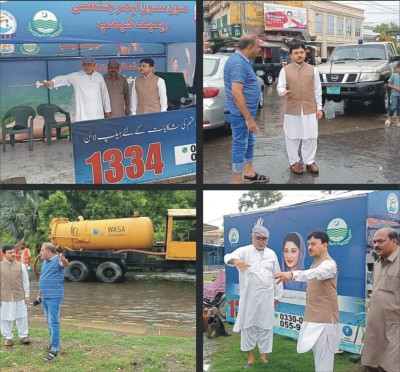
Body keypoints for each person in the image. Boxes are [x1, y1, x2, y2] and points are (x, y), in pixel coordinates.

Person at [274, 230, 339, 372]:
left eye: (314, 244)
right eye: (309, 244)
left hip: (325, 320)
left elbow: (317, 274)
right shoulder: (314, 264)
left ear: (325, 245)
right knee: (318, 359)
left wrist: (292, 274)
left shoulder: (329, 264)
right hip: (313, 317)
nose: (310, 247)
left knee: (324, 362)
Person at [224, 224, 282, 368]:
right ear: (252, 237)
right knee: (248, 326)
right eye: (258, 238)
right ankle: (251, 358)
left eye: (264, 239)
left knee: (266, 327)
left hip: (267, 298)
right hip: (249, 299)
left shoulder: (271, 254)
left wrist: (277, 296)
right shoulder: (244, 251)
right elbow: (227, 257)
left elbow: (278, 275)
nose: (261, 241)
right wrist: (236, 261)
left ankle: (263, 356)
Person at [223, 33, 269, 184]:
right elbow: (237, 93)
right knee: (240, 144)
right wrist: (248, 119)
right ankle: (238, 180)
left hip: (246, 114)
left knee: (249, 142)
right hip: (240, 115)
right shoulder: (237, 63)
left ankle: (249, 173)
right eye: (258, 47)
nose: (259, 50)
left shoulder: (244, 61)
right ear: (250, 47)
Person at [277, 40, 323, 175]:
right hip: (292, 108)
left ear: (305, 53)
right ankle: (295, 162)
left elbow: (318, 90)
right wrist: (283, 92)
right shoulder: (284, 70)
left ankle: (310, 161)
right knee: (292, 136)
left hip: (309, 107)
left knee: (311, 135)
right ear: (291, 55)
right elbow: (280, 86)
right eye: (296, 53)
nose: (299, 55)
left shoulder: (313, 70)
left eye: (301, 52)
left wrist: (319, 107)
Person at [361, 227, 399, 372]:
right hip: (376, 324)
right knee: (373, 361)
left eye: (380, 241)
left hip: (394, 325)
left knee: (392, 364)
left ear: (394, 242)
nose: (376, 245)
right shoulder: (378, 263)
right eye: (374, 241)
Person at [42, 56, 111, 122]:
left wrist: (107, 109)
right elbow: (64, 78)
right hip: (83, 114)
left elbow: (105, 93)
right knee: (83, 130)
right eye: (84, 64)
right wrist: (52, 83)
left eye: (88, 64)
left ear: (94, 65)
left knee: (98, 130)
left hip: (97, 113)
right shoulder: (76, 76)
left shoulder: (99, 76)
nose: (86, 66)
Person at [36, 242, 69, 361]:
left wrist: (63, 258)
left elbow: (65, 264)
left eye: (42, 251)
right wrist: (39, 294)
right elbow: (43, 277)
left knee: (53, 322)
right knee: (49, 321)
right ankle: (52, 343)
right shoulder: (45, 261)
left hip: (54, 296)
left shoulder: (57, 260)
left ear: (48, 251)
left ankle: (55, 348)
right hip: (45, 296)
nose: (40, 253)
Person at [0, 245, 30, 346]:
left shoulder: (21, 266)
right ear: (4, 254)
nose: (13, 254)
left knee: (22, 316)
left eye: (14, 252)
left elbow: (25, 281)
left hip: (19, 295)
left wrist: (27, 295)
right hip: (4, 296)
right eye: (10, 253)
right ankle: (8, 337)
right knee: (5, 317)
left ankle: (23, 335)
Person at [385, 61, 400, 127]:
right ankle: (389, 118)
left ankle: (398, 121)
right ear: (397, 68)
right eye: (399, 68)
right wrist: (396, 88)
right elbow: (388, 84)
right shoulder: (394, 75)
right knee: (394, 107)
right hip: (394, 95)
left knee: (399, 108)